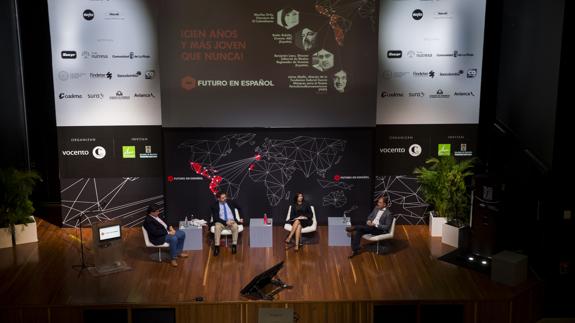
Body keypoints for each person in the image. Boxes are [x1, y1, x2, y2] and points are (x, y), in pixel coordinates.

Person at [210, 191, 243, 256]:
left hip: (231, 221)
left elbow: (240, 208)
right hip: (221, 222)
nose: (225, 198)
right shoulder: (214, 205)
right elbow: (216, 218)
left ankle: (234, 245)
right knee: (217, 227)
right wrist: (225, 222)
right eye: (222, 198)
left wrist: (241, 217)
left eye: (225, 197)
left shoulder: (230, 202)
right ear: (218, 199)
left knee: (235, 227)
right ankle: (217, 247)